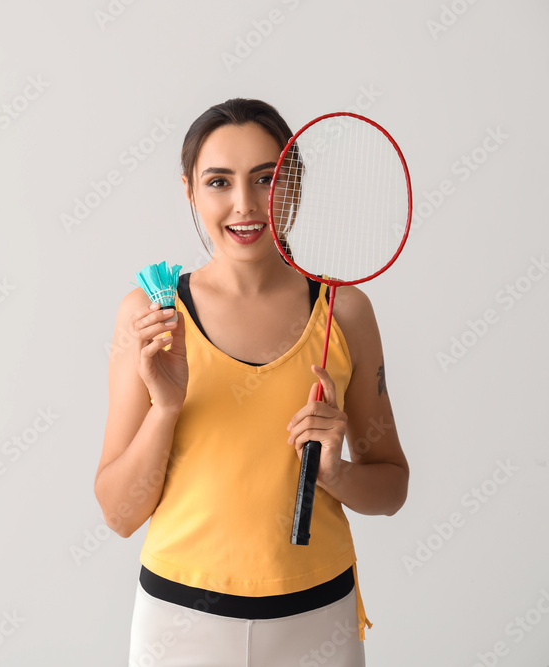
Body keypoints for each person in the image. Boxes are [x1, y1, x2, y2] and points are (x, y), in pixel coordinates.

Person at [93, 98, 410, 666]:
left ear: (295, 185)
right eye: (219, 182)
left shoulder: (345, 311)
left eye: (268, 178)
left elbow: (392, 488)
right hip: (180, 622)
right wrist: (165, 408)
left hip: (317, 620)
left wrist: (336, 471)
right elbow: (119, 515)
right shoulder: (151, 315)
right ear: (189, 190)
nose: (245, 205)